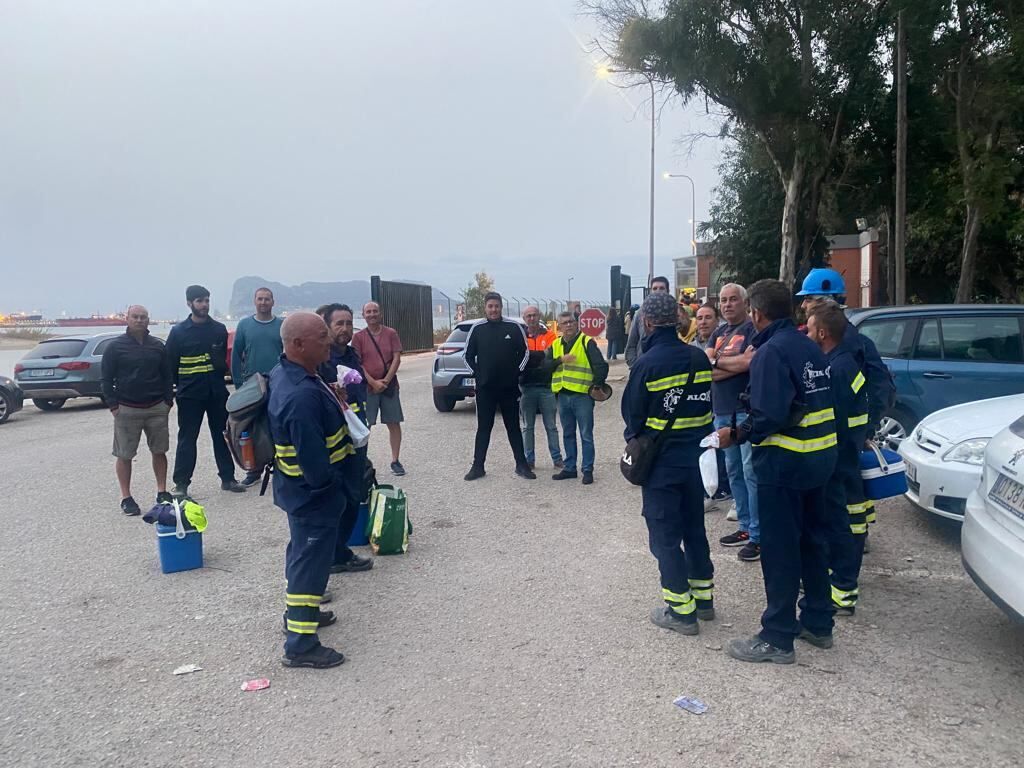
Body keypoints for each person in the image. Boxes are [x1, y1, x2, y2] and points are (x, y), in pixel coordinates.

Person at [716, 279, 838, 665]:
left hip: (785, 466)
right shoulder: (809, 346)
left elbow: (767, 416)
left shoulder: (771, 352)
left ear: (756, 313)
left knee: (781, 549)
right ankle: (818, 623)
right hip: (820, 461)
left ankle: (777, 636)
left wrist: (734, 434)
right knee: (814, 543)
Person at [622, 292, 715, 636]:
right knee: (694, 530)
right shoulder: (699, 359)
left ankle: (680, 610)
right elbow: (708, 410)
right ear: (678, 321)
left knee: (664, 537)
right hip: (696, 462)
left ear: (646, 322)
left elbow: (633, 419)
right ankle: (704, 601)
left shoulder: (646, 364)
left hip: (661, 466)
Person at [269, 312, 352, 669]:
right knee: (309, 564)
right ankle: (301, 645)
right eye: (322, 336)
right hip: (313, 495)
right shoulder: (300, 395)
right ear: (298, 344)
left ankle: (299, 615)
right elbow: (314, 461)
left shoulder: (292, 374)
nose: (329, 340)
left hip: (296, 492)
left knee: (301, 553)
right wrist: (332, 489)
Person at [797, 268, 895, 542]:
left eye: (809, 299)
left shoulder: (849, 344)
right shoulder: (846, 337)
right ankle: (852, 541)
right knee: (850, 493)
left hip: (843, 435)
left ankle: (848, 549)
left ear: (826, 300)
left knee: (846, 492)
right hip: (847, 433)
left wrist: (866, 428)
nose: (803, 305)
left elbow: (877, 388)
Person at [807, 303, 870, 616]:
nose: (805, 333)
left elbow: (832, 416)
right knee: (846, 523)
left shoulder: (836, 369)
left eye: (808, 328)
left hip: (838, 457)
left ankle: (843, 591)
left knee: (839, 525)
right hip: (849, 455)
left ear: (822, 333)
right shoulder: (847, 363)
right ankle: (839, 580)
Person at [166, 285, 246, 497]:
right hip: (190, 395)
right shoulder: (178, 332)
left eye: (207, 300)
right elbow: (170, 365)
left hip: (216, 393)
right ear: (189, 303)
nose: (204, 305)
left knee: (222, 436)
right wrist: (180, 387)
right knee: (187, 439)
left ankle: (228, 479)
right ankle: (181, 484)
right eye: (200, 301)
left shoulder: (218, 329)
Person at [100, 305, 174, 516]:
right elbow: (105, 379)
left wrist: (168, 401)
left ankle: (162, 491)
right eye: (135, 317)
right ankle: (126, 497)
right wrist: (113, 406)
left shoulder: (157, 346)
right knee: (124, 454)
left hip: (156, 407)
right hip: (127, 408)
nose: (139, 320)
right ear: (127, 319)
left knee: (159, 451)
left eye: (143, 317)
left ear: (148, 320)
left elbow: (167, 375)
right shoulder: (115, 347)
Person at [318, 303, 373, 575]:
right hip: (333, 440)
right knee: (333, 500)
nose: (345, 329)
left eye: (349, 323)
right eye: (339, 323)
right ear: (326, 326)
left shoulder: (352, 354)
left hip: (357, 434)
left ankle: (340, 553)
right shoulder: (319, 359)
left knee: (354, 495)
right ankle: (325, 558)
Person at [707, 283, 760, 561]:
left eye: (733, 300)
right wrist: (733, 363)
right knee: (734, 471)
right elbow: (708, 369)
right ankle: (743, 526)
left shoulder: (752, 330)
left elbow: (751, 364)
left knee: (751, 472)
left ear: (745, 302)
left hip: (744, 411)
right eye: (724, 301)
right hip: (721, 411)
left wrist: (718, 362)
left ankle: (757, 534)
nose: (727, 305)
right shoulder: (718, 332)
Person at [463, 292, 534, 481]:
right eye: (490, 306)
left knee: (513, 427)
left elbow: (525, 353)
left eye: (496, 306)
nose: (493, 309)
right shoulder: (477, 329)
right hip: (485, 390)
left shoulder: (513, 327)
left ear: (501, 307)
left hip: (509, 389)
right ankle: (478, 467)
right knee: (484, 428)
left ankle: (521, 465)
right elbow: (467, 356)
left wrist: (515, 373)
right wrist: (479, 375)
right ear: (485, 308)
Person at [546, 311, 609, 485]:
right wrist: (559, 360)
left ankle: (587, 470)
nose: (568, 325)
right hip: (563, 395)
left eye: (571, 322)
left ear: (576, 324)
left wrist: (597, 385)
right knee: (568, 434)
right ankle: (570, 468)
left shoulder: (586, 342)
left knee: (586, 434)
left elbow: (601, 366)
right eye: (564, 323)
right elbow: (544, 367)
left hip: (582, 396)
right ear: (559, 326)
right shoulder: (555, 345)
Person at [232, 287, 284, 486]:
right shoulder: (245, 325)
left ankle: (280, 467)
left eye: (267, 299)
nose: (263, 302)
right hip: (252, 385)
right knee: (251, 429)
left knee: (277, 425)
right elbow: (237, 355)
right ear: (255, 301)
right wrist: (238, 384)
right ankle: (254, 471)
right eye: (260, 299)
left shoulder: (281, 325)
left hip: (277, 383)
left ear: (273, 302)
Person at [352, 302, 405, 476]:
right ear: (363, 315)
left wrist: (386, 381)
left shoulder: (391, 333)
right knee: (365, 424)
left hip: (389, 387)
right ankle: (361, 460)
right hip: (368, 388)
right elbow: (357, 363)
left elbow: (396, 357)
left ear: (380, 314)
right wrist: (374, 383)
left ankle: (395, 460)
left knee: (393, 422)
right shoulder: (359, 337)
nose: (372, 314)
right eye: (369, 312)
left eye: (375, 311)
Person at [520, 306, 563, 471]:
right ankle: (529, 460)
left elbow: (550, 361)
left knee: (551, 426)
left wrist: (533, 359)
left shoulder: (550, 336)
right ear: (524, 318)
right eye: (528, 316)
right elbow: (521, 360)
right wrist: (541, 357)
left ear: (539, 316)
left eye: (534, 315)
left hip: (546, 387)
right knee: (527, 427)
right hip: (526, 387)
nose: (532, 318)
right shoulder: (520, 336)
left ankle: (557, 459)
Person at [625, 276, 671, 367]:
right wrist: (636, 367)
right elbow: (631, 345)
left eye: (662, 288)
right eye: (655, 288)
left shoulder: (675, 313)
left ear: (668, 291)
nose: (658, 291)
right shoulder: (640, 314)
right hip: (644, 368)